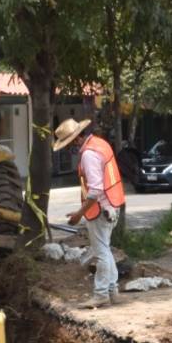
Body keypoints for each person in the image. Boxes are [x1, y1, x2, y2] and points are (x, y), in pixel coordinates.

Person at [53, 118, 126, 308]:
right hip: (111, 205)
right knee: (106, 249)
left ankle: (101, 294)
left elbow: (95, 190)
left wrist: (79, 213)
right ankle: (112, 291)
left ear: (76, 139)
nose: (69, 149)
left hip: (101, 209)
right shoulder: (100, 144)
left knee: (101, 252)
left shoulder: (88, 155)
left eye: (68, 144)